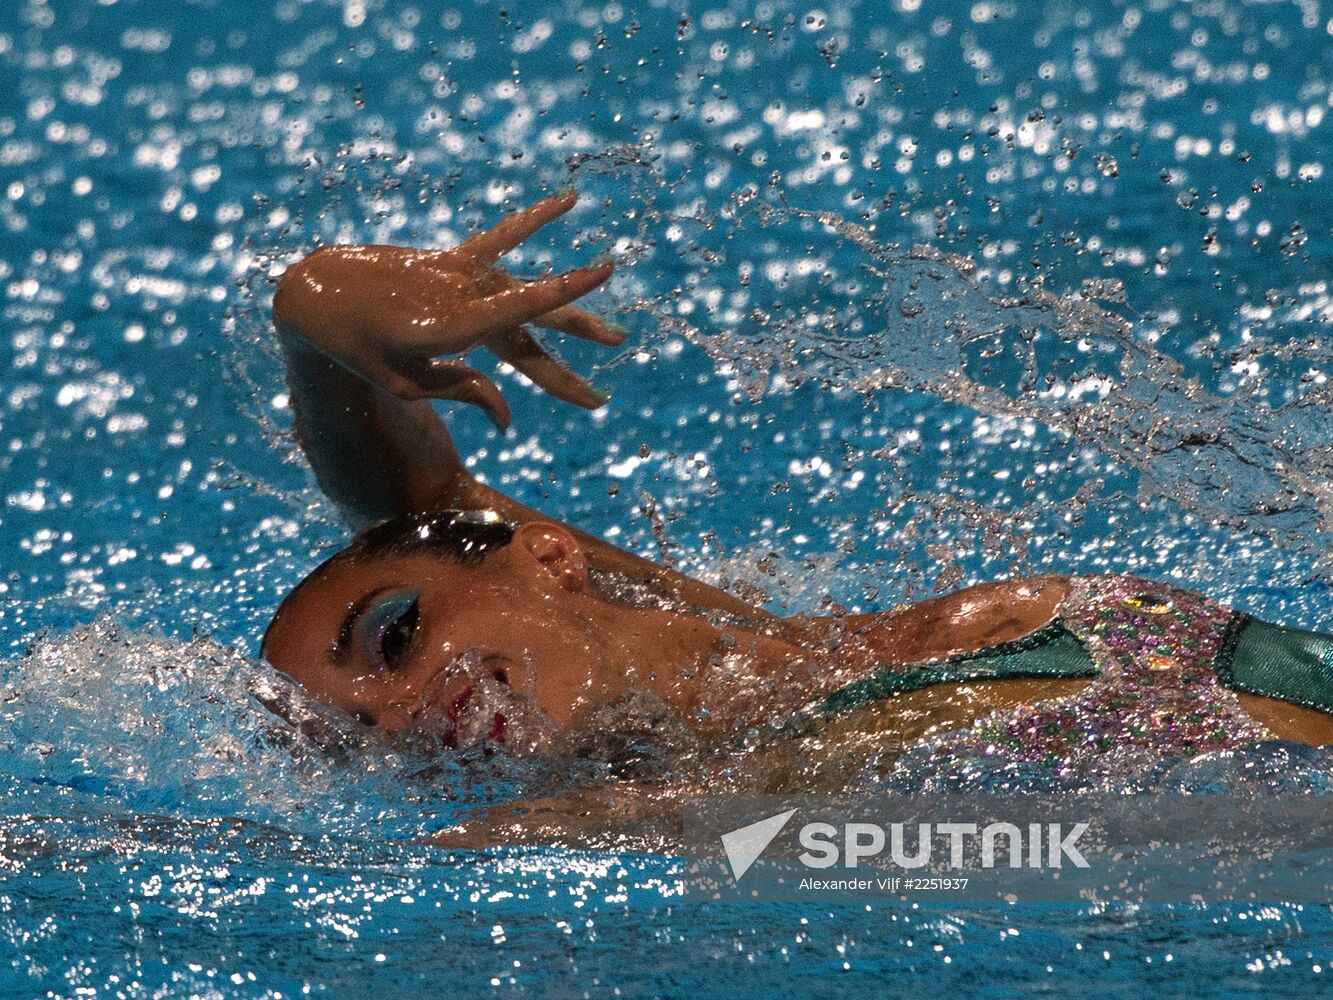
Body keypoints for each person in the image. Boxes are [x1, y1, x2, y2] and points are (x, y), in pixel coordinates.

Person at [259, 187, 1333, 843]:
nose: (400, 714)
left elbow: (415, 502)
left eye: (396, 635)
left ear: (548, 558)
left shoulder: (758, 707)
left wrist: (314, 301)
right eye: (363, 738)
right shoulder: (636, 816)